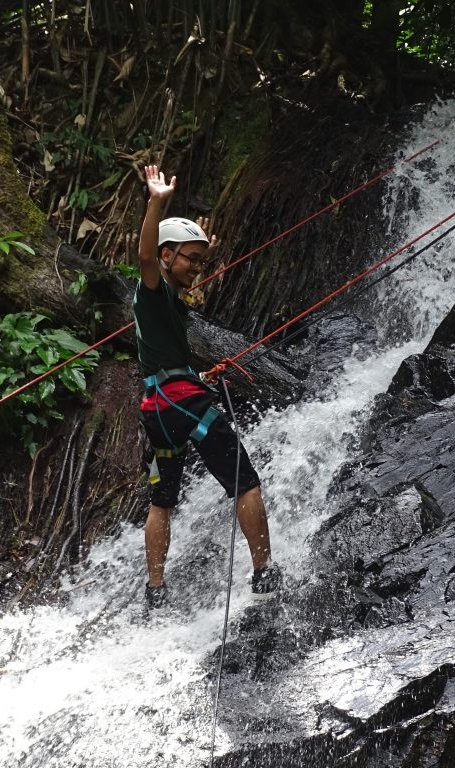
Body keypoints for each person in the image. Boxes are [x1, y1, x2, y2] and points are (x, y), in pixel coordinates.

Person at [134, 165, 281, 608]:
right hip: (179, 402)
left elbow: (163, 360)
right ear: (166, 255)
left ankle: (155, 590)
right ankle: (264, 575)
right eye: (190, 259)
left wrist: (195, 377)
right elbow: (144, 258)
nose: (198, 268)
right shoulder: (154, 289)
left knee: (163, 498)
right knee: (245, 482)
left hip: (157, 406)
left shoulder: (168, 305)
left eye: (202, 261)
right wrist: (157, 202)